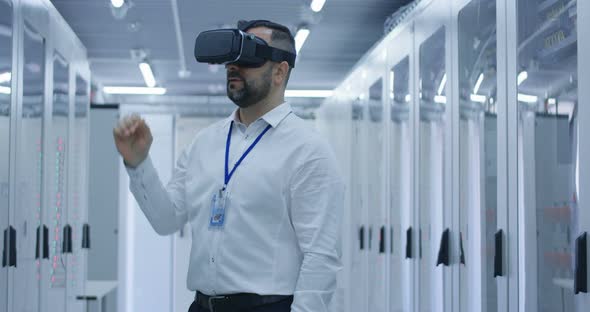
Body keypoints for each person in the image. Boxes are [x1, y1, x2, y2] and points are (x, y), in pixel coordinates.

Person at [113, 20, 344, 312]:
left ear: (279, 71)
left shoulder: (308, 151)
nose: (234, 65)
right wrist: (138, 164)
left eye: (248, 56)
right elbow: (166, 219)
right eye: (231, 59)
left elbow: (321, 257)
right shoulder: (204, 144)